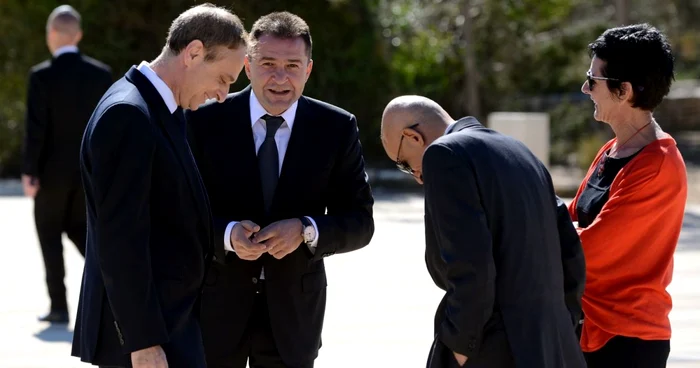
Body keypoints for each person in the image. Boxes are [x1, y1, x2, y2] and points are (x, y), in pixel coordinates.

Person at [185, 11, 375, 368]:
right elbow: (179, 213)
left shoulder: (336, 128)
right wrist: (226, 235)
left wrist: (306, 230)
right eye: (268, 63)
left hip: (295, 318)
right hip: (214, 310)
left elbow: (361, 222)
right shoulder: (203, 121)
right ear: (247, 66)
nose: (280, 77)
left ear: (308, 70)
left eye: (292, 65)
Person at [70, 4, 248, 368]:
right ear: (194, 53)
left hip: (173, 327)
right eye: (224, 79)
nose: (222, 93)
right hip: (149, 344)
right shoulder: (129, 115)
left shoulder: (162, 108)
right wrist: (143, 343)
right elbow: (120, 242)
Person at [380, 95, 586, 368]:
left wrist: (460, 346)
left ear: (413, 137)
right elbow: (570, 250)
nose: (417, 176)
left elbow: (471, 265)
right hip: (553, 345)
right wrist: (566, 321)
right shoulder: (521, 151)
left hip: (493, 347)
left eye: (404, 163)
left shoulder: (442, 155)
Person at [569, 23, 687, 367]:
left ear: (624, 91)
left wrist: (530, 225)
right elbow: (570, 219)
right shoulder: (611, 150)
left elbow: (588, 248)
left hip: (627, 343)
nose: (585, 88)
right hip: (587, 330)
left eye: (593, 80)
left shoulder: (658, 164)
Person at [21, 4, 112, 324]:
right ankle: (114, 292)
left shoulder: (41, 76)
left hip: (50, 175)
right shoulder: (101, 74)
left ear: (51, 35)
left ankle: (59, 307)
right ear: (79, 35)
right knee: (85, 234)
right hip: (89, 173)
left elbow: (36, 128)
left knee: (50, 238)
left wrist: (30, 171)